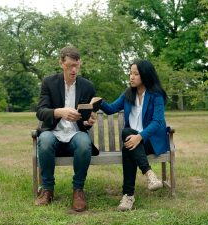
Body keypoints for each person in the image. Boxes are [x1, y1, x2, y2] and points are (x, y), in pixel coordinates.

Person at [35, 45, 99, 212]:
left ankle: (78, 191)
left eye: (77, 65)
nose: (74, 69)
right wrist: (59, 112)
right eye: (70, 65)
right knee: (45, 140)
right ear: (61, 63)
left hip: (75, 134)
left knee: (85, 142)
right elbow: (41, 112)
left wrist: (88, 121)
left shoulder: (87, 86)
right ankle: (47, 190)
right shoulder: (49, 83)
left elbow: (86, 116)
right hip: (53, 133)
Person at [100, 59, 169, 211]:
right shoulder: (128, 94)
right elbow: (111, 109)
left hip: (150, 141)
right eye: (130, 73)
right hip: (133, 140)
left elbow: (157, 121)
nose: (131, 77)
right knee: (128, 138)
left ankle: (128, 196)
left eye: (136, 74)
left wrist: (140, 136)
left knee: (128, 141)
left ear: (145, 75)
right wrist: (98, 101)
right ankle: (149, 174)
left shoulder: (156, 95)